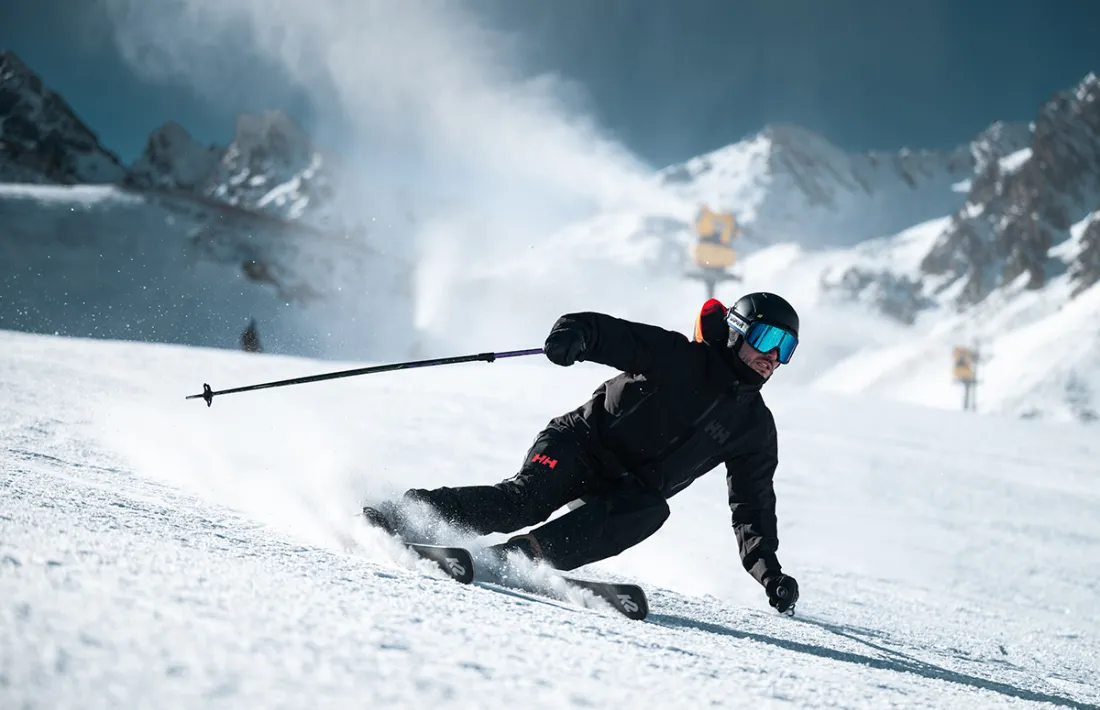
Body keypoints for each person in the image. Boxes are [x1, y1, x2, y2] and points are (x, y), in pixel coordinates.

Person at [364, 292, 801, 614]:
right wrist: (572, 337)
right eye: (768, 339)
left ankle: (524, 557)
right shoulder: (679, 357)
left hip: (623, 491)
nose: (773, 357)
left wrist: (769, 572)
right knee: (524, 500)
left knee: (651, 509)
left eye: (787, 348)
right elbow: (605, 332)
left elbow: (752, 505)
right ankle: (404, 514)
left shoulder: (754, 427)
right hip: (579, 444)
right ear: (740, 330)